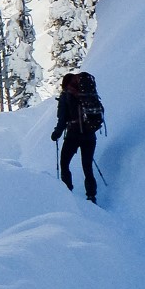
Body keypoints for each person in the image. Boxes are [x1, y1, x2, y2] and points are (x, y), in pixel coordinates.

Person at [51, 71, 104, 202]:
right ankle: (91, 196)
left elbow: (62, 119)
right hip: (90, 136)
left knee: (64, 164)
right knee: (87, 167)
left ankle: (67, 193)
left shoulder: (66, 96)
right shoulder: (86, 94)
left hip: (73, 136)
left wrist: (56, 133)